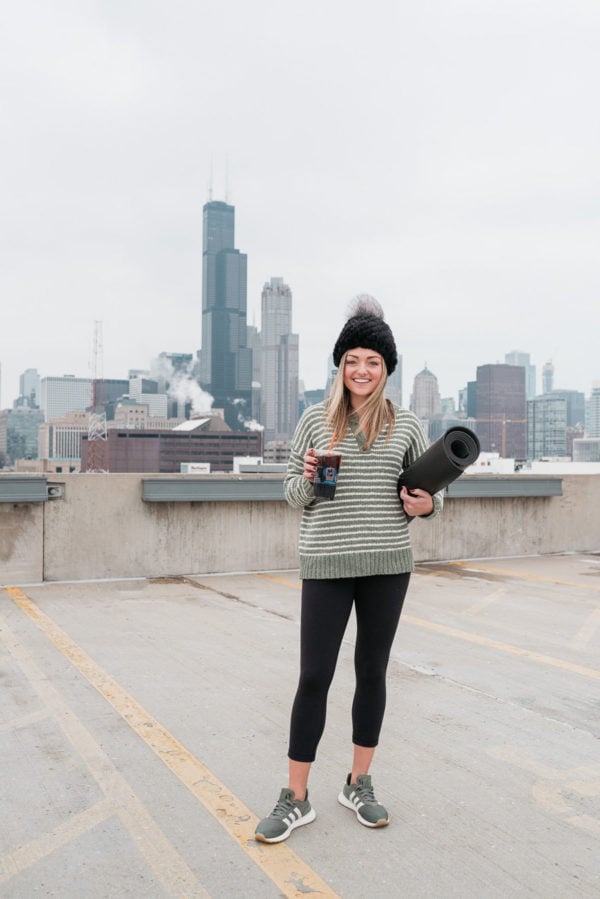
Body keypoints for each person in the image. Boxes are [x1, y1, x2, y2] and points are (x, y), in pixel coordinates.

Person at [255, 296, 443, 844]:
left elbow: (430, 495)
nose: (362, 370)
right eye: (353, 360)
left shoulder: (407, 424)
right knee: (314, 675)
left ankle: (359, 781)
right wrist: (310, 478)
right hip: (326, 563)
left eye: (373, 362)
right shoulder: (313, 420)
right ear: (340, 366)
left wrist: (424, 505)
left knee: (372, 672)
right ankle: (295, 796)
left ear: (387, 369)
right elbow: (292, 494)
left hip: (388, 565)